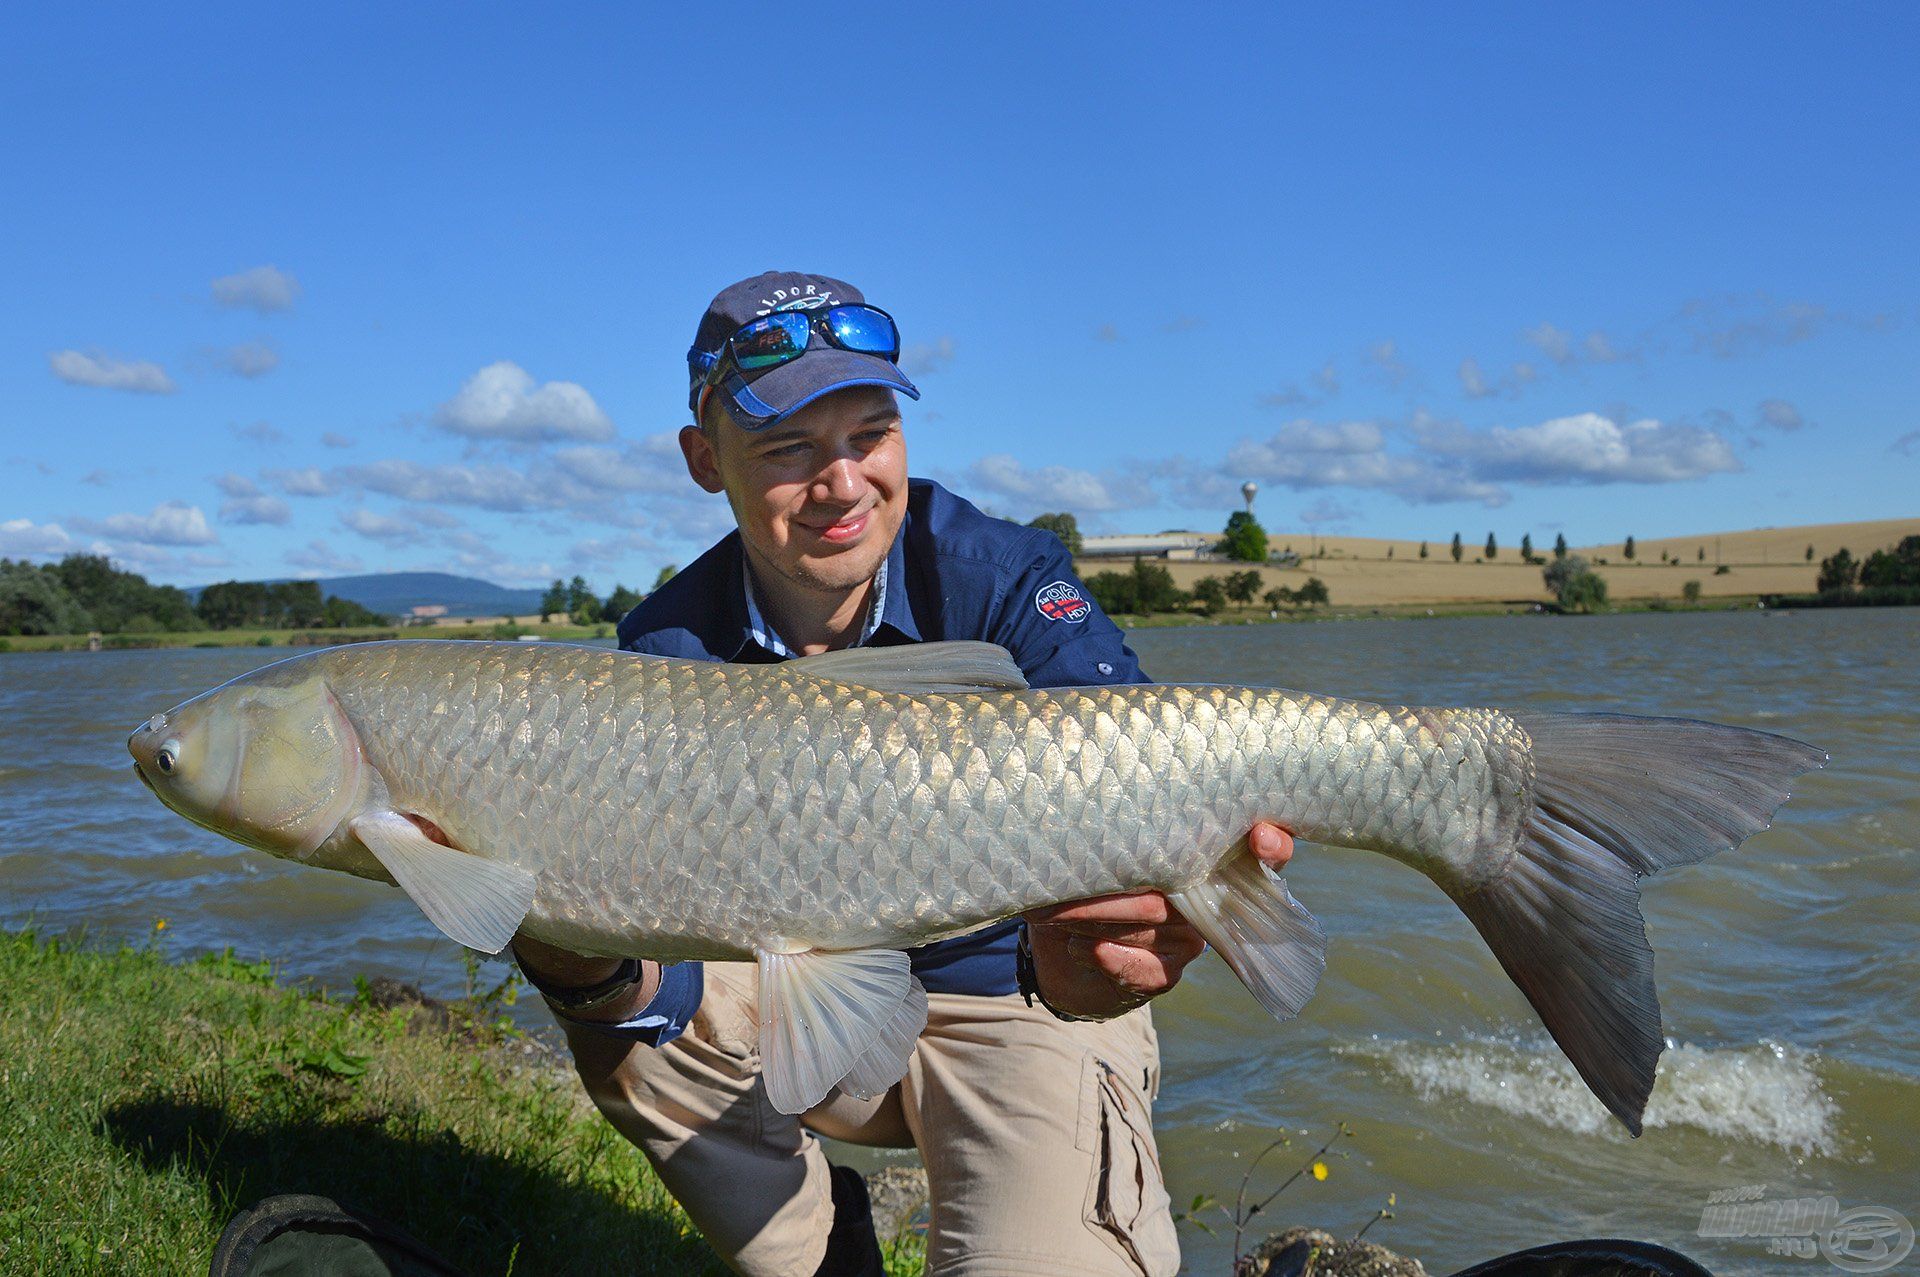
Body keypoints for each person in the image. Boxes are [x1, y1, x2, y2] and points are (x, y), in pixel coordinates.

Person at [511, 272, 1295, 1277]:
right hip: (799, 1007)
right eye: (789, 448)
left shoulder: (1007, 575)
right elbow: (663, 981)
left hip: (1021, 995)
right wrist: (578, 960)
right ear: (707, 460)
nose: (841, 483)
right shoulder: (666, 644)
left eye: (869, 434)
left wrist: (1092, 960)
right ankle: (819, 1249)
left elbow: (1142, 796)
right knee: (628, 1023)